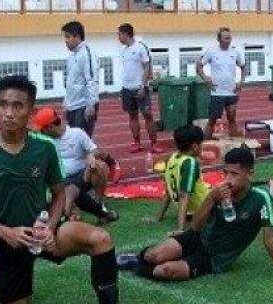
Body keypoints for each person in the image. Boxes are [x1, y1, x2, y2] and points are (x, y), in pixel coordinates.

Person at [0, 75, 133, 304]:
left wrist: (50, 227)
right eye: (3, 105)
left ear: (30, 110)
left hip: (42, 230)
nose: (8, 113)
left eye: (17, 106)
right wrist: (4, 233)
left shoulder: (45, 147)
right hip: (7, 241)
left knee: (100, 239)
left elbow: (60, 193)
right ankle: (21, 284)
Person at [118, 147, 273, 282]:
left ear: (249, 173)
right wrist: (211, 198)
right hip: (198, 238)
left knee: (164, 270)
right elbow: (195, 228)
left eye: (234, 174)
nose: (228, 179)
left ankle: (137, 268)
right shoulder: (219, 192)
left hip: (214, 258)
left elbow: (270, 238)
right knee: (154, 255)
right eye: (225, 173)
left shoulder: (261, 198)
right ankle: (136, 258)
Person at [33, 107, 118, 225]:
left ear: (50, 127)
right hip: (61, 182)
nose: (40, 133)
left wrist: (91, 156)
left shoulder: (77, 133)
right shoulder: (45, 142)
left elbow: (96, 150)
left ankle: (99, 202)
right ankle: (99, 213)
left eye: (42, 130)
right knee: (69, 192)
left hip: (82, 177)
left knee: (99, 166)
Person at [62, 21, 121, 183]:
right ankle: (96, 169)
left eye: (67, 37)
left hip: (84, 106)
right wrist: (66, 102)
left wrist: (90, 105)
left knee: (82, 145)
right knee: (78, 144)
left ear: (77, 36)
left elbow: (91, 81)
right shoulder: (71, 57)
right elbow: (71, 83)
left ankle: (108, 165)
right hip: (73, 106)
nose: (65, 41)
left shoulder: (87, 54)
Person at [150, 124, 209, 235]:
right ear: (195, 146)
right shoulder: (190, 163)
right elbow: (184, 195)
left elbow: (168, 192)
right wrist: (180, 229)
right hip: (201, 211)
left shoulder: (171, 158)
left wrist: (158, 216)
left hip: (187, 212)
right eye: (202, 144)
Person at [117, 23, 161, 154]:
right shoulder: (123, 51)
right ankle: (137, 143)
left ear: (126, 34)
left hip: (140, 88)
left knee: (148, 116)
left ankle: (154, 144)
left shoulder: (141, 47)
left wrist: (143, 85)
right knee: (132, 116)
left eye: (119, 34)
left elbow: (147, 66)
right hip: (127, 89)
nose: (118, 37)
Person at [196, 27, 246, 139]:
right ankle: (204, 144)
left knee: (232, 118)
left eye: (230, 37)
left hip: (231, 92)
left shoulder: (235, 52)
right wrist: (205, 79)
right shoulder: (212, 51)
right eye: (226, 38)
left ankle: (235, 144)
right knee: (212, 120)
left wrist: (241, 81)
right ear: (219, 39)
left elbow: (243, 66)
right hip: (217, 93)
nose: (228, 40)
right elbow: (199, 66)